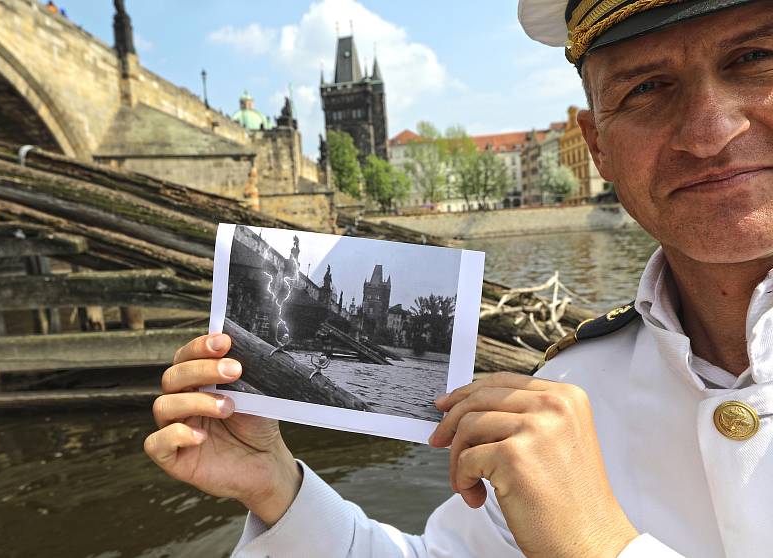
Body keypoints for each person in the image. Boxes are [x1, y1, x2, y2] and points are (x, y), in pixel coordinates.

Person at [143, 0, 773, 555]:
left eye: (755, 56)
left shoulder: (559, 403)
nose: (710, 132)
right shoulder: (573, 384)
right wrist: (276, 486)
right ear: (598, 145)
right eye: (645, 89)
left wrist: (596, 547)